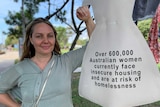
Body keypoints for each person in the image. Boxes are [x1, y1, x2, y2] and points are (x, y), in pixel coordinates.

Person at [0, 6, 95, 107]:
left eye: (50, 36)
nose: (46, 40)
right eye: (39, 36)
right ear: (31, 39)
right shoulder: (20, 68)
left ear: (54, 38)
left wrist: (88, 20)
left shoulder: (67, 62)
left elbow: (94, 46)